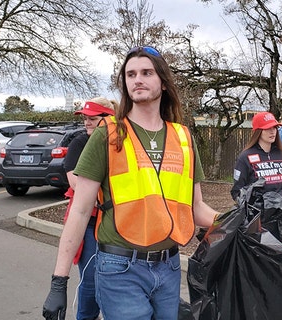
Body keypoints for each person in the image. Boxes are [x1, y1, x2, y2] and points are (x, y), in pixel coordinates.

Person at [43, 46, 219, 320]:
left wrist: (239, 222)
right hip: (119, 267)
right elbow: (79, 211)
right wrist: (59, 280)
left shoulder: (183, 137)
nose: (137, 79)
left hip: (169, 267)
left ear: (163, 81)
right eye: (131, 74)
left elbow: (196, 208)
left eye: (147, 73)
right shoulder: (109, 135)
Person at [63, 97, 117, 320]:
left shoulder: (121, 143)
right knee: (91, 277)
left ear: (109, 119)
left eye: (92, 118)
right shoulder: (79, 143)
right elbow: (76, 183)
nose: (86, 122)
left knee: (116, 279)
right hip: (90, 222)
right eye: (85, 118)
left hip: (118, 224)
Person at [230, 111, 282, 201]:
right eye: (268, 128)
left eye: (275, 127)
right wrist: (261, 202)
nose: (272, 131)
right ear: (258, 131)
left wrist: (278, 197)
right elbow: (237, 192)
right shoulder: (245, 157)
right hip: (256, 212)